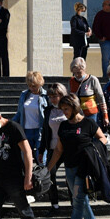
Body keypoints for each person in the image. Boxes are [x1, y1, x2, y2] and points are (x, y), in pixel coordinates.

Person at [46, 93, 105, 219]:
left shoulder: (88, 124)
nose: (64, 112)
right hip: (69, 168)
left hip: (84, 168)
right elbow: (58, 150)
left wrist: (92, 150)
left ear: (74, 107)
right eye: (62, 109)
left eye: (66, 109)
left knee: (78, 199)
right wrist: (48, 169)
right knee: (81, 199)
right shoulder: (64, 125)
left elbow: (103, 139)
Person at [40, 82, 69, 212]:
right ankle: (54, 203)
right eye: (50, 96)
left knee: (70, 177)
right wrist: (41, 150)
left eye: (55, 96)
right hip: (52, 147)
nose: (52, 99)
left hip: (68, 149)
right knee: (50, 175)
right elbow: (45, 130)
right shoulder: (48, 110)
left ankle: (75, 204)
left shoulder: (69, 108)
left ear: (62, 95)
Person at [13, 71, 49, 160]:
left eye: (34, 86)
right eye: (29, 85)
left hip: (40, 131)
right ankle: (27, 174)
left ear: (40, 83)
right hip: (26, 131)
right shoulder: (24, 95)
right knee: (25, 157)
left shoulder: (46, 96)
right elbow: (19, 113)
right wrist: (10, 122)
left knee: (41, 158)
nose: (31, 88)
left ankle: (41, 173)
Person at [69, 56, 107, 129]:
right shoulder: (72, 81)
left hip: (91, 113)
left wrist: (105, 115)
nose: (77, 75)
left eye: (79, 72)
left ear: (84, 69)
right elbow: (69, 97)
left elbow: (101, 97)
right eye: (74, 73)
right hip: (76, 114)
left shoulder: (92, 79)